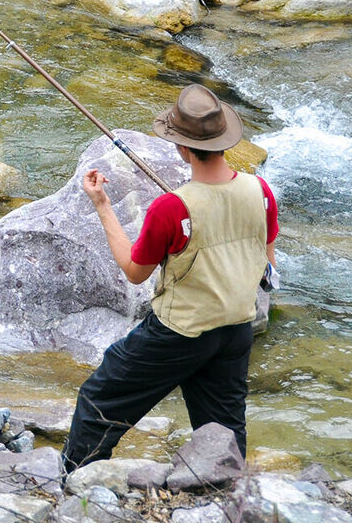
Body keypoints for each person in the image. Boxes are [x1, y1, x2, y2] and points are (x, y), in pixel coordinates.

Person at [61, 83, 280, 475]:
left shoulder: (171, 206)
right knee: (223, 429)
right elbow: (267, 255)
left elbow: (134, 272)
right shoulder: (260, 190)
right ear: (224, 141)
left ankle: (75, 485)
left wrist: (103, 206)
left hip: (179, 333)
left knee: (99, 401)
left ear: (181, 147)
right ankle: (231, 497)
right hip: (236, 329)